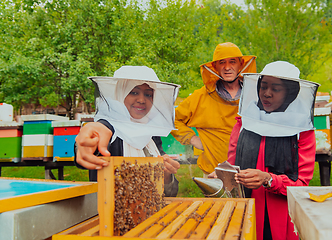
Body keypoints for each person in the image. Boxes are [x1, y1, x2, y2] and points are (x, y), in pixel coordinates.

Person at [227, 61, 318, 240]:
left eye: (276, 89)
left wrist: (268, 179)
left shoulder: (302, 130)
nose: (266, 94)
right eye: (263, 86)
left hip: (281, 213)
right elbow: (232, 164)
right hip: (245, 207)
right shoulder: (245, 120)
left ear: (290, 93)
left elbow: (301, 183)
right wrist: (223, 174)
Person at [74, 66, 181, 197]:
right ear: (119, 94)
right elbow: (96, 134)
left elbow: (170, 194)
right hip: (109, 214)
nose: (142, 100)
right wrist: (86, 140)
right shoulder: (109, 129)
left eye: (148, 94)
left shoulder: (151, 135)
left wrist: (167, 176)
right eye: (134, 92)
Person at [171, 42, 257, 175]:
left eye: (232, 61)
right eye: (222, 62)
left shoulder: (255, 95)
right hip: (213, 174)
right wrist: (193, 139)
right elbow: (172, 118)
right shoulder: (201, 96)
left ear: (241, 63)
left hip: (249, 173)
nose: (227, 67)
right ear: (215, 67)